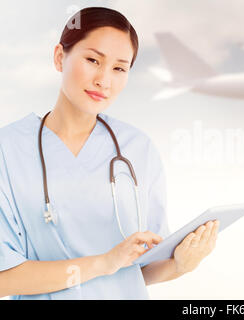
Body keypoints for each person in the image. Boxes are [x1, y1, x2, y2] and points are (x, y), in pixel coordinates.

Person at [0, 7, 219, 300]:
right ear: (59, 57)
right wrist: (103, 263)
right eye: (93, 60)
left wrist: (181, 265)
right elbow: (4, 279)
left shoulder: (138, 149)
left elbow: (141, 268)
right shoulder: (8, 149)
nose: (104, 80)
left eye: (119, 68)